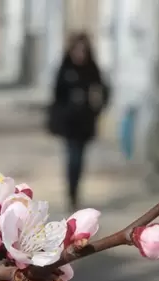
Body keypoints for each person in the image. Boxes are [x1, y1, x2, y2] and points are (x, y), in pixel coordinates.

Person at [48, 32, 110, 211]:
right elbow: (57, 95)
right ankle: (71, 193)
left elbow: (103, 91)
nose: (80, 54)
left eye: (83, 50)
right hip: (69, 124)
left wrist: (96, 108)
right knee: (72, 158)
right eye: (77, 50)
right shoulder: (65, 68)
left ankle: (75, 190)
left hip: (85, 123)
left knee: (80, 159)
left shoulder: (92, 69)